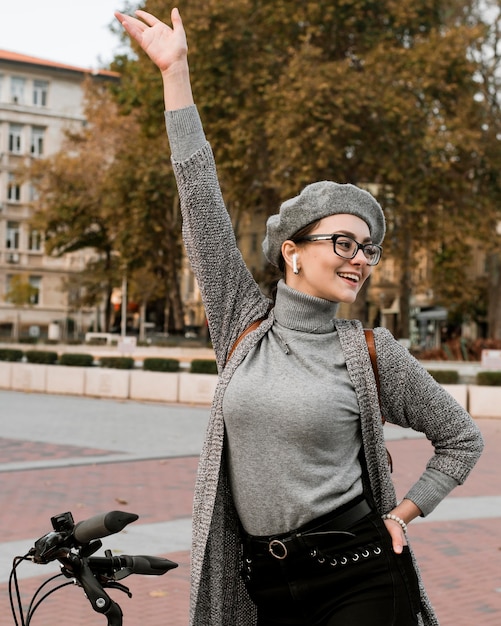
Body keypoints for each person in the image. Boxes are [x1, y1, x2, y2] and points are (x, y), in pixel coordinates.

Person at [116, 9, 484, 626]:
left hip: (359, 576)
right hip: (266, 584)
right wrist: (175, 73)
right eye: (343, 242)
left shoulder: (371, 352)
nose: (359, 259)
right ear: (292, 250)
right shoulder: (243, 325)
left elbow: (461, 440)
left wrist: (403, 513)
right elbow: (199, 197)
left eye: (368, 248)